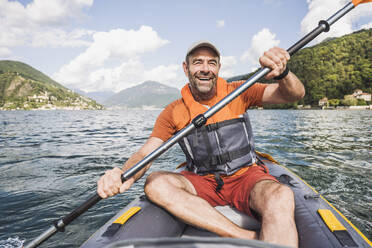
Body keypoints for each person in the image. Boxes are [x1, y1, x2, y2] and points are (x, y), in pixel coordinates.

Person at [97, 40, 305, 247]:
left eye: (211, 63)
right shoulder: (173, 112)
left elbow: (294, 94)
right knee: (156, 183)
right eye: (198, 62)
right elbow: (145, 153)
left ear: (219, 68)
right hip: (202, 180)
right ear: (185, 68)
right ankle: (242, 236)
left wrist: (282, 73)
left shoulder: (240, 91)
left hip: (246, 175)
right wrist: (123, 174)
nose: (205, 69)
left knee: (281, 195)